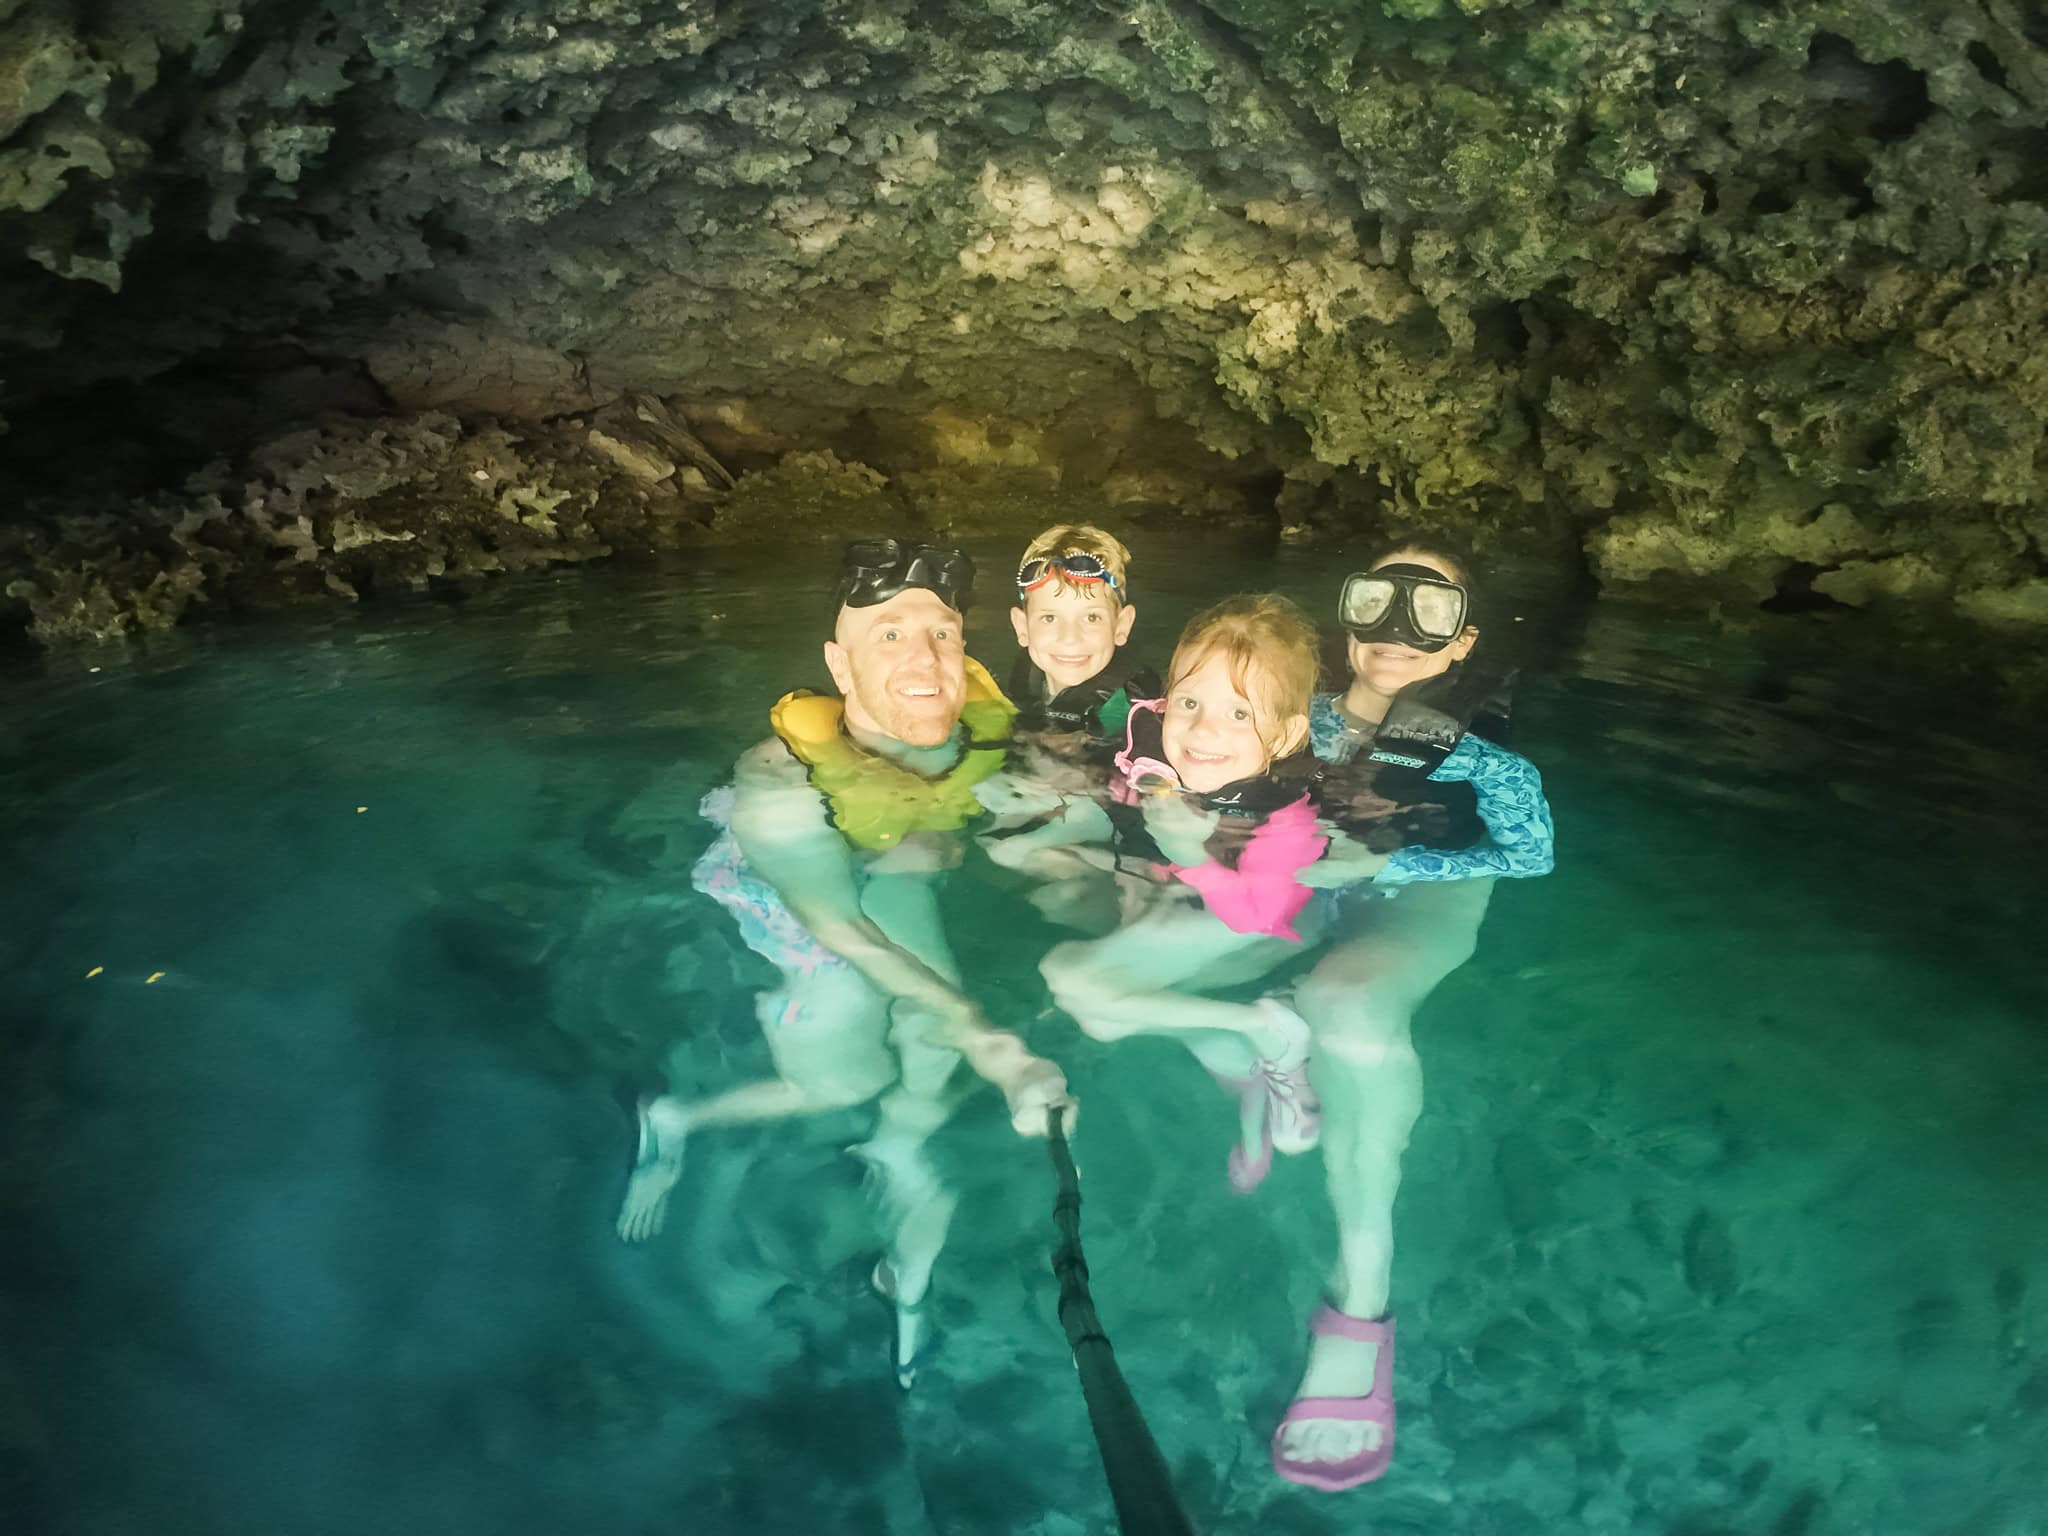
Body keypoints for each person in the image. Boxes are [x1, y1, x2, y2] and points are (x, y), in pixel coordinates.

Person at [616, 538, 1074, 1389]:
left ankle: (903, 1212)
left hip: (890, 861)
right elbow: (840, 928)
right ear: (839, 663)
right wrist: (996, 1045)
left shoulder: (969, 733)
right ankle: (677, 1118)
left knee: (928, 1054)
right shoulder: (779, 787)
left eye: (941, 633)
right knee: (843, 1081)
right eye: (889, 636)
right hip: (800, 903)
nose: (926, 658)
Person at [1270, 542, 1555, 1491]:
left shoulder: (1477, 743)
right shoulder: (1294, 717)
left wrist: (1388, 863)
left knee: (1343, 1005)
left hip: (1423, 905)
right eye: (1376, 600)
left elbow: (1527, 856)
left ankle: (1363, 1296)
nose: (1394, 628)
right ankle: (1258, 1052)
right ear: (1345, 619)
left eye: (1425, 611)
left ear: (1460, 641)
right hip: (1308, 895)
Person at [1034, 594, 1352, 1191]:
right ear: (1165, 702)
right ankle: (1253, 1080)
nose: (1204, 729)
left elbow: (1261, 916)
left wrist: (1186, 855)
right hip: (1188, 905)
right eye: (1189, 703)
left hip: (1258, 926)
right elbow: (1131, 813)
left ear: (1284, 735)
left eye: (1240, 715)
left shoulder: (1287, 818)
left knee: (1068, 975)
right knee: (1102, 1015)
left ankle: (1261, 1029)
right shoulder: (1164, 762)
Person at [1005, 524, 1158, 738]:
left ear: (1122, 626)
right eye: (1049, 618)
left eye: (1091, 617)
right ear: (1022, 627)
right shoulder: (1027, 673)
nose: (1070, 638)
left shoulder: (1131, 710)